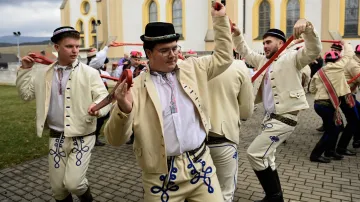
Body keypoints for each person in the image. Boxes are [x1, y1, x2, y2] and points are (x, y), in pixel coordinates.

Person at [104, 3, 233, 201]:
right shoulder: (135, 88)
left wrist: (220, 20)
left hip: (202, 167)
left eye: (175, 48)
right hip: (160, 177)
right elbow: (114, 140)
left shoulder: (193, 68)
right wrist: (123, 109)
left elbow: (224, 57)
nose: (172, 55)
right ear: (148, 54)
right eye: (164, 50)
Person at [16, 26, 111, 202]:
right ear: (57, 47)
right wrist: (25, 69)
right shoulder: (43, 73)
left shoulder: (90, 73)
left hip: (83, 135)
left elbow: (104, 98)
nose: (75, 50)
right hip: (56, 137)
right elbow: (26, 95)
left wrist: (98, 107)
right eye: (69, 46)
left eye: (77, 46)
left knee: (75, 184)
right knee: (59, 189)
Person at [232, 19, 322, 202]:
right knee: (268, 158)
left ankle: (274, 196)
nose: (264, 46)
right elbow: (245, 51)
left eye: (268, 42)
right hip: (269, 118)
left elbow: (314, 50)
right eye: (263, 42)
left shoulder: (293, 57)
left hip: (285, 118)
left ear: (281, 43)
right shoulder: (262, 60)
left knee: (255, 154)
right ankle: (275, 196)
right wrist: (237, 34)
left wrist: (308, 29)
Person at [207, 59, 254, 201]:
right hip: (224, 135)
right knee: (225, 191)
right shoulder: (239, 66)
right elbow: (246, 110)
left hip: (196, 138)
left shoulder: (197, 63)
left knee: (200, 189)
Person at [309, 41, 357, 162]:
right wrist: (345, 44)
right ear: (337, 60)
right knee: (333, 130)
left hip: (318, 104)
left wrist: (322, 91)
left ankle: (330, 152)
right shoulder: (339, 66)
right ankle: (315, 155)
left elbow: (311, 89)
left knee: (338, 126)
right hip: (327, 105)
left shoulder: (319, 72)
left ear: (326, 60)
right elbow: (349, 54)